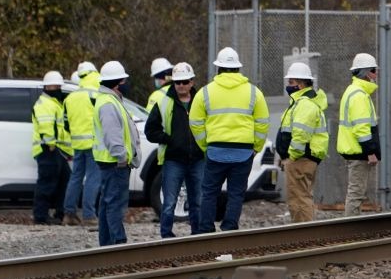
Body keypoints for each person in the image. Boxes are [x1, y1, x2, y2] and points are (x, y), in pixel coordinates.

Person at [190, 46, 269, 233]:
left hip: (215, 149)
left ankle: (205, 230)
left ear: (218, 68)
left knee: (209, 192)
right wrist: (256, 147)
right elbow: (263, 123)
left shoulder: (205, 92)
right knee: (236, 194)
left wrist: (205, 145)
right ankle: (229, 228)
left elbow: (195, 121)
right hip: (243, 151)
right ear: (238, 69)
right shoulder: (253, 92)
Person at [145, 61, 204, 238]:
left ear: (192, 82)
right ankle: (166, 235)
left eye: (185, 82)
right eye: (178, 82)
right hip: (173, 160)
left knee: (198, 201)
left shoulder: (201, 102)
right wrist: (169, 140)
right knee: (169, 202)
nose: (181, 85)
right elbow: (151, 130)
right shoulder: (163, 103)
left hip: (198, 159)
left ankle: (198, 234)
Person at [92, 60, 139, 246]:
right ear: (118, 83)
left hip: (110, 162)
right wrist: (122, 157)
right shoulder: (108, 104)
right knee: (115, 204)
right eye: (123, 81)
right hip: (114, 163)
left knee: (107, 203)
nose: (126, 85)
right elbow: (113, 136)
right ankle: (118, 242)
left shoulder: (109, 100)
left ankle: (106, 244)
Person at [277, 61, 328, 223]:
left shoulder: (304, 105)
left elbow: (300, 136)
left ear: (300, 84)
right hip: (300, 158)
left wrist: (291, 156)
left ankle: (304, 235)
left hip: (300, 159)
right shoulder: (302, 103)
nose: (288, 86)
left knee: (299, 200)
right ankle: (304, 234)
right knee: (302, 196)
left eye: (291, 82)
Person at [338, 52, 381, 216]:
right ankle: (350, 232)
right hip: (359, 152)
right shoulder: (359, 95)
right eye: (374, 71)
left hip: (354, 151)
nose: (376, 75)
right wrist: (370, 151)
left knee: (355, 193)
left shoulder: (353, 91)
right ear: (367, 72)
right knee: (356, 195)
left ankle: (351, 230)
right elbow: (361, 129)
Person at [63, 61, 101, 228]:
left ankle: (69, 214)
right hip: (94, 144)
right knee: (93, 178)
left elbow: (65, 124)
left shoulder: (70, 98)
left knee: (76, 178)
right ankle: (89, 215)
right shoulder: (96, 94)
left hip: (77, 144)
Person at [31, 70, 71, 225]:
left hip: (56, 151)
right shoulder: (45, 104)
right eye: (57, 85)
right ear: (50, 86)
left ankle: (60, 213)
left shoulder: (53, 102)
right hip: (48, 150)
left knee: (64, 180)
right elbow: (46, 126)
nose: (59, 88)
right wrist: (51, 144)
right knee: (46, 183)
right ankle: (40, 216)